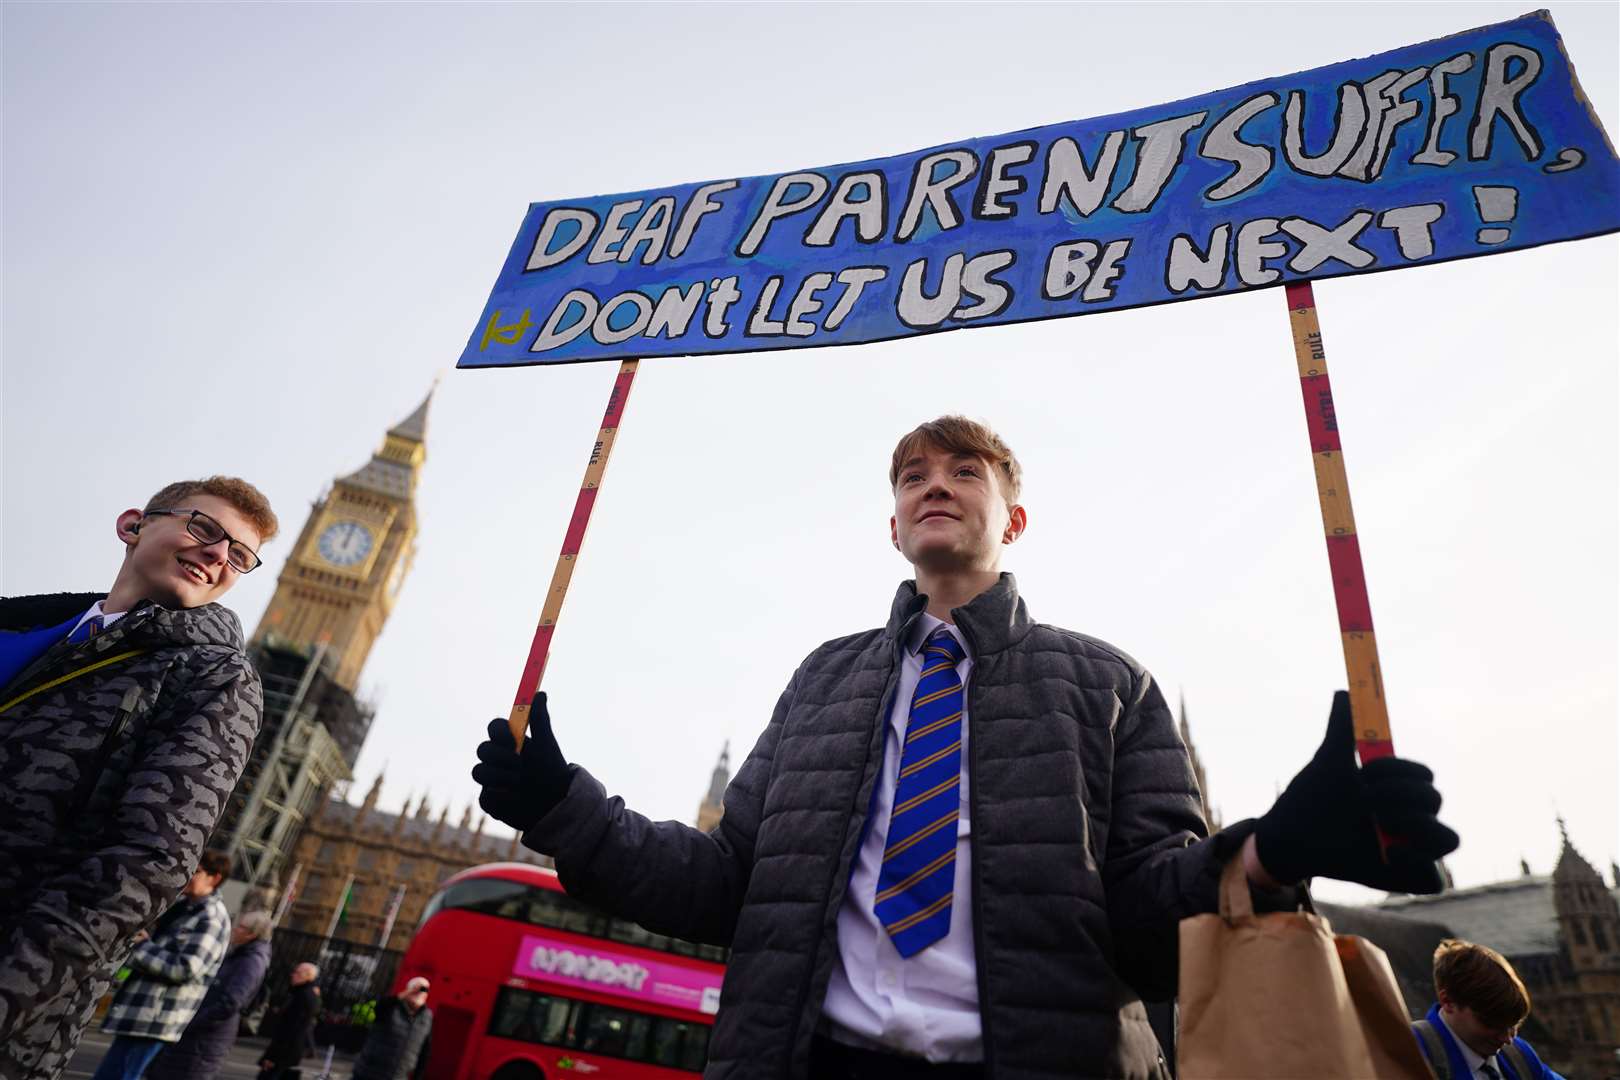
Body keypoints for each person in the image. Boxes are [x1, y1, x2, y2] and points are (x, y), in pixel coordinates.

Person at [473, 416, 1461, 1080]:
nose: (933, 486)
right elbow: (729, 885)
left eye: (963, 472)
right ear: (893, 526)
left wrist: (1265, 856)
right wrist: (567, 806)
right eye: (912, 478)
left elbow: (1138, 928)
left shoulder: (1109, 686)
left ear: (1013, 519)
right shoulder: (823, 677)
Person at [0, 476, 277, 1080]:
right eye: (204, 528)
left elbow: (144, 864)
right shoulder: (25, 629)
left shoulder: (217, 678)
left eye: (240, 555)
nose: (217, 554)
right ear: (133, 525)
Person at [92, 851, 235, 1080]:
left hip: (155, 1017)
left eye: (196, 871)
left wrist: (142, 947)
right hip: (142, 1012)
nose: (187, 875)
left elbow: (186, 968)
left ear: (215, 878)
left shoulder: (211, 917)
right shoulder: (182, 907)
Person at [146, 909, 274, 1080]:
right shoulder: (241, 955)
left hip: (204, 1041)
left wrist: (193, 1021)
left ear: (252, 934)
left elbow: (230, 1002)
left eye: (241, 927)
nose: (235, 929)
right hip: (200, 1038)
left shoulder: (251, 961)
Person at [1412, 939, 1565, 1080]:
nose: (1508, 1039)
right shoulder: (1410, 1054)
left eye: (1513, 1026)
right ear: (1448, 1002)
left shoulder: (1519, 1057)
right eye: (1490, 1024)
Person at [351, 977, 433, 1080]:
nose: (418, 992)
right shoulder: (391, 1007)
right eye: (415, 988)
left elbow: (424, 1052)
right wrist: (406, 994)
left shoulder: (427, 1017)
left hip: (397, 1076)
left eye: (423, 989)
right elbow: (379, 1008)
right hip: (367, 1073)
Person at [257, 963, 321, 1080]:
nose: (293, 975)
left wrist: (273, 1056)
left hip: (284, 1052)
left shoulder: (304, 996)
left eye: (297, 973)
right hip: (288, 1051)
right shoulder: (303, 993)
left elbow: (292, 1028)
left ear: (308, 976)